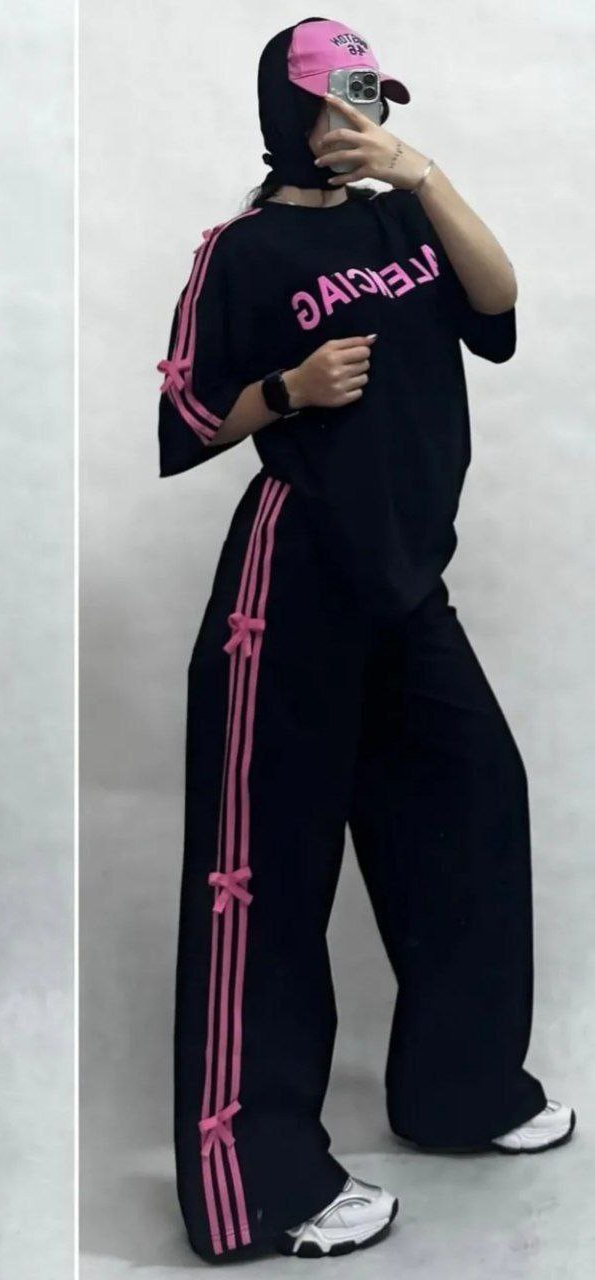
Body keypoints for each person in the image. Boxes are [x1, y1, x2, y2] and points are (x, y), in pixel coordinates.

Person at [158, 17, 575, 1262]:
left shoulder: (405, 220)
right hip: (289, 580)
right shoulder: (239, 250)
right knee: (264, 873)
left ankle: (457, 1090)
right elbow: (182, 414)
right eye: (335, 98)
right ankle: (257, 1181)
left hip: (403, 580)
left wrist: (423, 175)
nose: (357, 116)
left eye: (369, 97)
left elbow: (496, 301)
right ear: (288, 113)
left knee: (472, 801)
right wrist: (286, 390)